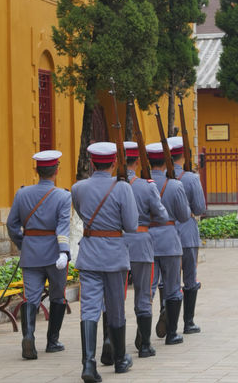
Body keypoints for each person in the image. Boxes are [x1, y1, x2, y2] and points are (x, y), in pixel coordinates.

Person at [71, 142, 139, 382]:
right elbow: (131, 225)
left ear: (91, 163)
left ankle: (88, 365)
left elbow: (81, 215)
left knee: (89, 309)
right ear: (113, 163)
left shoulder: (77, 188)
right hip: (114, 257)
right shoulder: (123, 188)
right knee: (116, 308)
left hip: (89, 255)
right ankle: (120, 360)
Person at [6, 150, 71, 360]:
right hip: (55, 255)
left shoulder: (22, 194)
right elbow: (63, 227)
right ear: (57, 171)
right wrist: (64, 252)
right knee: (57, 297)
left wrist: (23, 243)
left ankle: (28, 336)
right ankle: (52, 341)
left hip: (31, 252)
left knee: (31, 297)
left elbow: (12, 224)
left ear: (37, 170)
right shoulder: (63, 196)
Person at [122, 140, 170, 359]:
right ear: (138, 161)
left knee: (113, 296)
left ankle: (108, 343)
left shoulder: (113, 185)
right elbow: (162, 216)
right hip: (141, 242)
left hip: (116, 244)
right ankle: (144, 345)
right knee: (143, 293)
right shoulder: (146, 185)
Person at [145, 141, 191, 346]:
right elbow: (183, 216)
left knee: (148, 289)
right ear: (166, 162)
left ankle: (143, 334)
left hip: (147, 242)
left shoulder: (139, 185)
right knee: (173, 287)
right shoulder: (175, 185)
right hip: (170, 241)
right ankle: (172, 333)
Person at [167, 135, 207, 333]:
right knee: (190, 278)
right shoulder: (191, 178)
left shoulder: (156, 177)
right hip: (187, 234)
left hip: (164, 234)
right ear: (184, 155)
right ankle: (188, 322)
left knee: (168, 279)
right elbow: (200, 208)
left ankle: (166, 316)